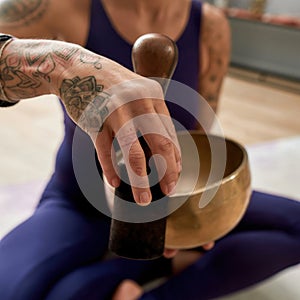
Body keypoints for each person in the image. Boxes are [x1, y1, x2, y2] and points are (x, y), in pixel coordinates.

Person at [0, 1, 299, 299]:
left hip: (165, 202)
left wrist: (195, 217)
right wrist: (62, 64)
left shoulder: (210, 24)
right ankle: (150, 266)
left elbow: (198, 137)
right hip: (82, 202)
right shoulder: (57, 8)